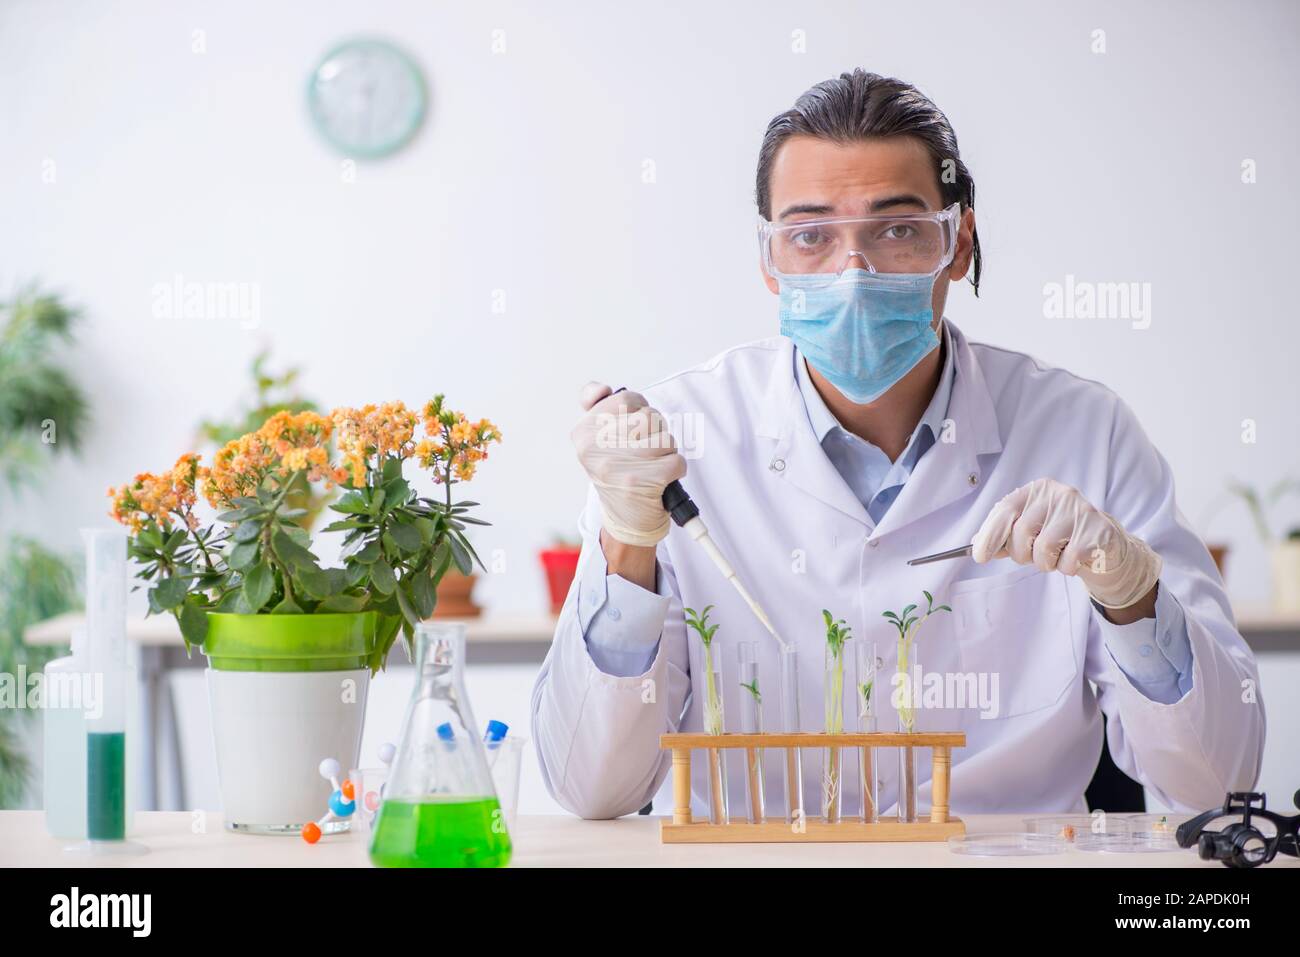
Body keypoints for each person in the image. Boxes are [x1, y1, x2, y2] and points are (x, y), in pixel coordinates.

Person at [530, 69, 1263, 820]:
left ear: (958, 239)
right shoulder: (677, 440)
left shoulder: (1085, 432)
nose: (854, 273)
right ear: (768, 259)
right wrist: (627, 544)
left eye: (899, 229)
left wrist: (1132, 595)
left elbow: (1217, 786)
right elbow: (593, 790)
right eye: (810, 235)